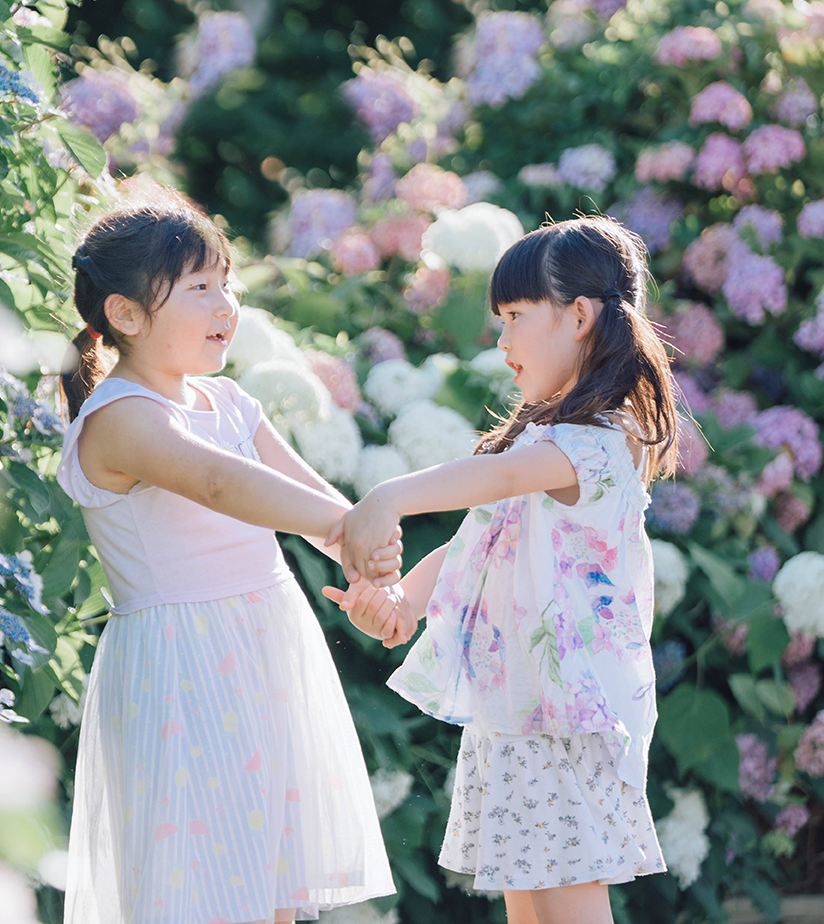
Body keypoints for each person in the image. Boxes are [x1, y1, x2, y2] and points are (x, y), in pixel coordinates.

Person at [323, 216, 680, 924]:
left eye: (516, 316)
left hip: (573, 718)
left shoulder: (601, 443)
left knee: (570, 913)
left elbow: (496, 481)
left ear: (579, 315)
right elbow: (478, 542)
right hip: (517, 714)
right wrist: (401, 601)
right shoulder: (550, 440)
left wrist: (389, 494)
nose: (503, 339)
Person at [55, 193, 399, 924]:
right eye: (200, 288)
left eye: (226, 282)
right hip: (181, 669)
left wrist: (372, 569)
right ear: (125, 314)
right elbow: (218, 482)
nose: (226, 304)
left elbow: (315, 509)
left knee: (268, 889)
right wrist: (352, 521)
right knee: (199, 894)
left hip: (265, 654)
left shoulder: (231, 402)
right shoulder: (120, 417)